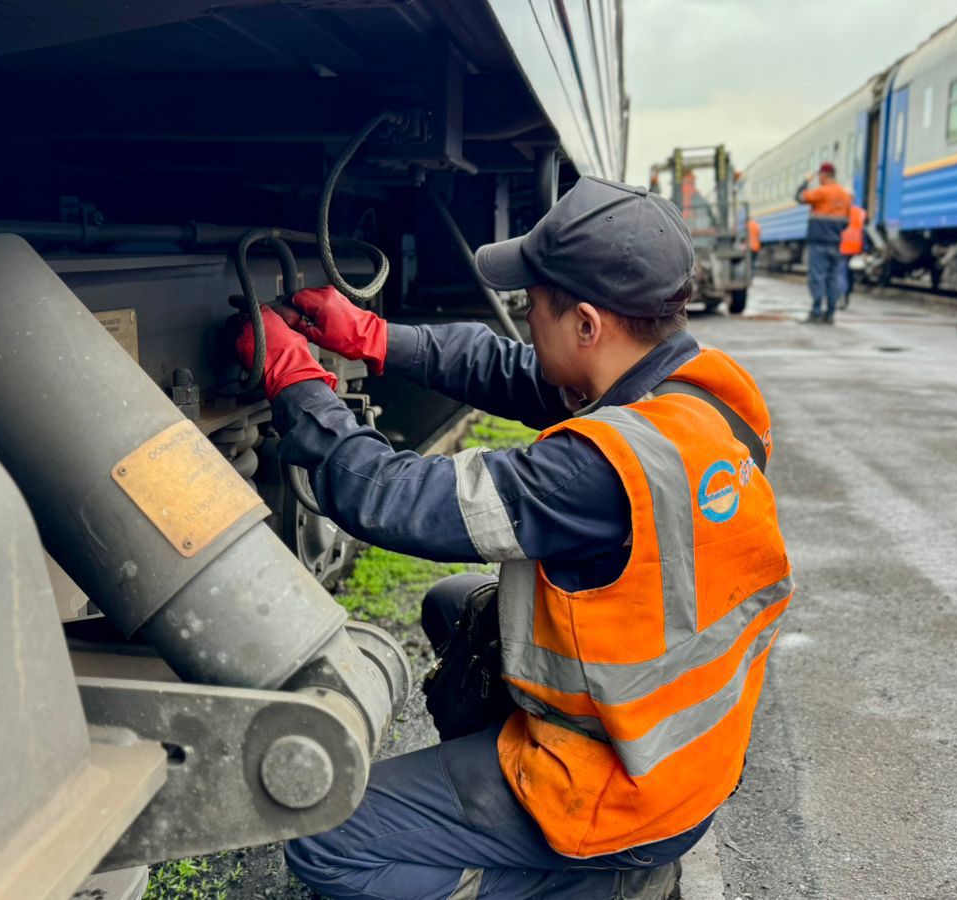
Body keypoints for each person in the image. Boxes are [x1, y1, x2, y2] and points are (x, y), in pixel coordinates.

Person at [235, 176, 793, 899]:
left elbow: (392, 496)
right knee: (456, 608)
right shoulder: (704, 396)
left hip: (624, 786)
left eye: (531, 307)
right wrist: (374, 339)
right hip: (684, 753)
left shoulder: (598, 469)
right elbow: (508, 370)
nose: (525, 322)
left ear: (587, 324)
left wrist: (295, 382)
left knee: (323, 836)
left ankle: (600, 885)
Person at [795, 162, 852, 324]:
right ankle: (830, 313)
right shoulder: (845, 195)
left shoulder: (821, 192)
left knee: (817, 277)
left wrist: (806, 181)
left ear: (823, 175)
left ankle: (816, 311)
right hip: (836, 243)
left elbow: (799, 197)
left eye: (819, 175)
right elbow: (847, 222)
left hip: (819, 243)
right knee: (832, 279)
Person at [838, 204, 866, 310]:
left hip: (842, 245)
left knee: (841, 272)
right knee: (849, 273)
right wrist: (865, 249)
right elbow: (864, 231)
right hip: (856, 246)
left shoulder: (839, 210)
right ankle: (847, 295)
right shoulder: (860, 212)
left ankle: (841, 296)